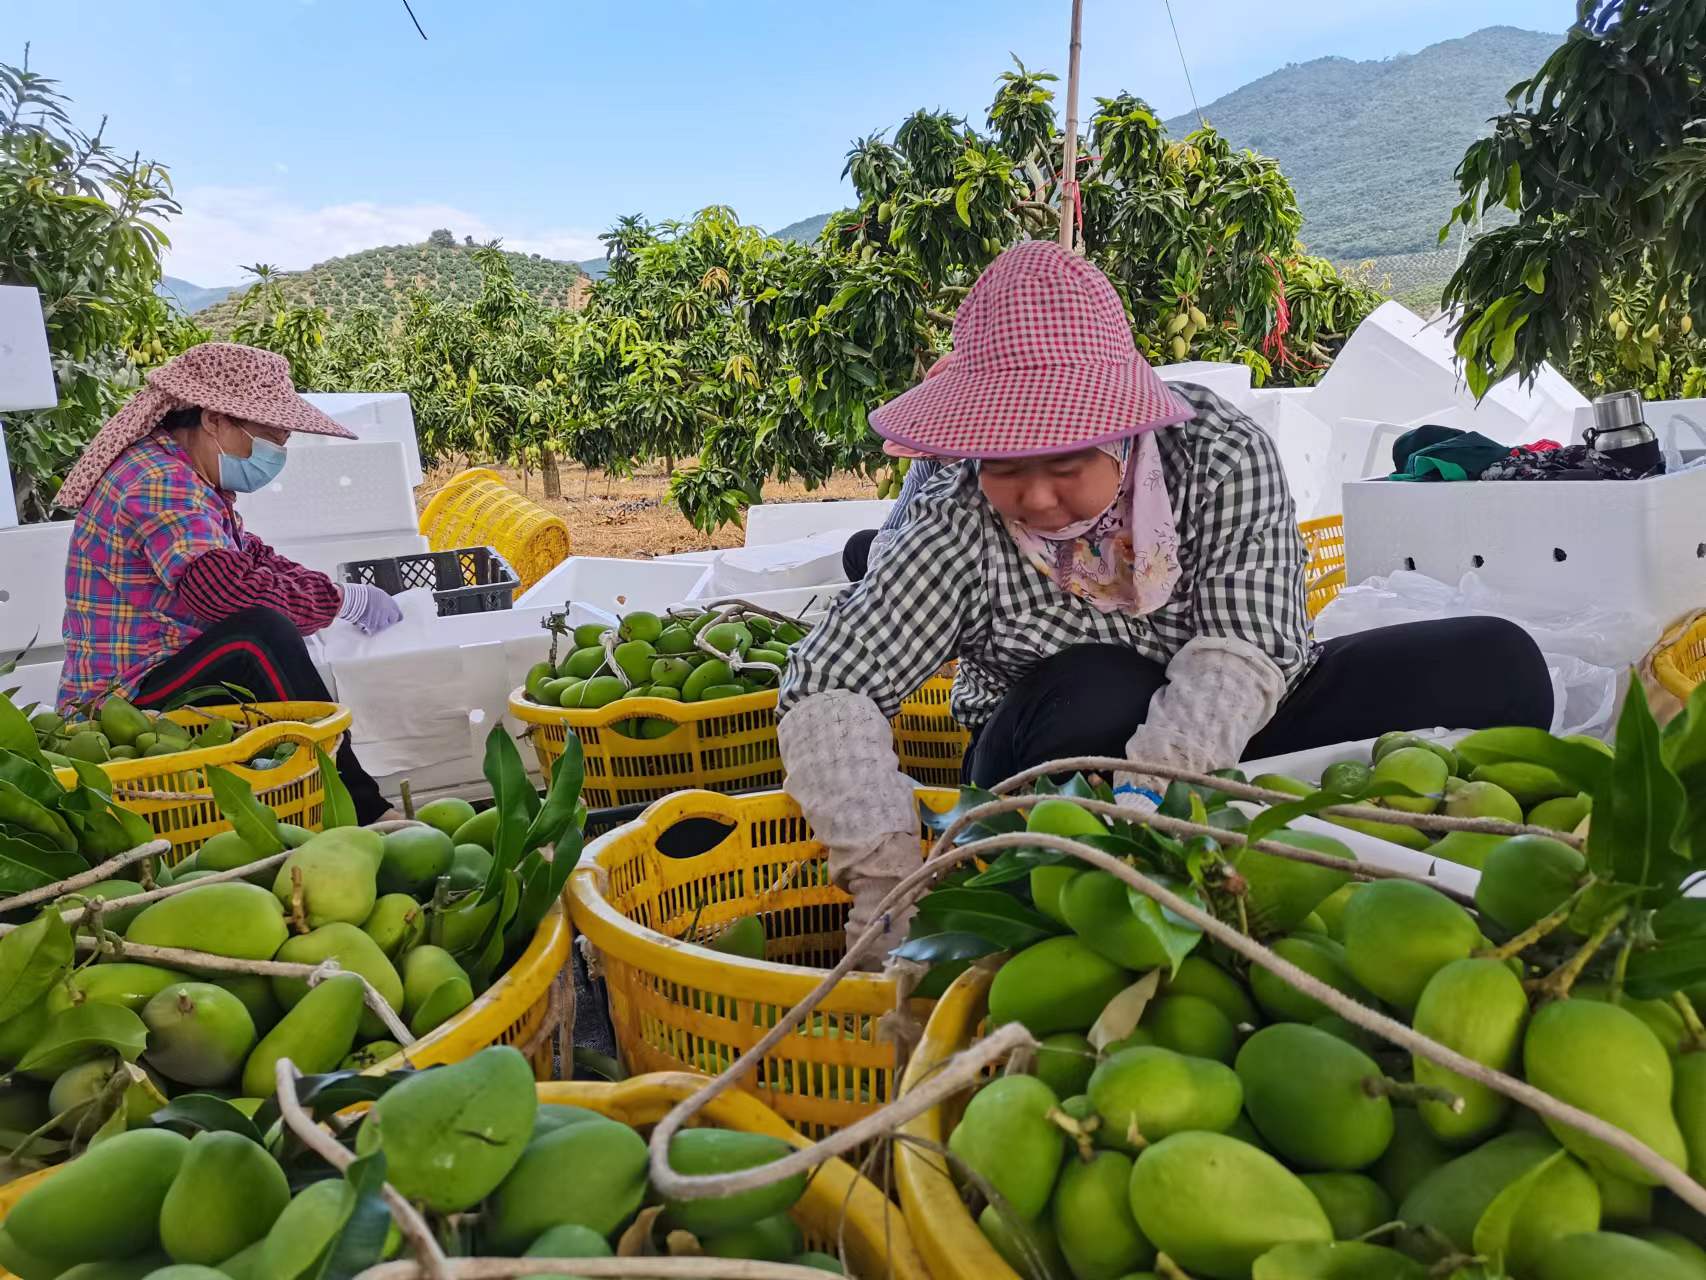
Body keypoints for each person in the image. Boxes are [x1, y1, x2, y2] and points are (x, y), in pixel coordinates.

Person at [778, 241, 1552, 957]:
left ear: (1121, 432)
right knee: (1096, 683)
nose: (1039, 497)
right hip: (1061, 747)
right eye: (1007, 466)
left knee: (1495, 663)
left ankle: (1226, 814)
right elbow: (831, 681)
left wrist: (1159, 785)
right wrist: (887, 886)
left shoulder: (1215, 453)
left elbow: (1248, 646)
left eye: (1068, 462)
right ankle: (1087, 862)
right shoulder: (955, 512)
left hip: (1230, 716)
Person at [55, 342, 403, 824]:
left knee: (267, 630)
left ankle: (325, 801)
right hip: (122, 703)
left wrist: (341, 595)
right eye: (266, 437)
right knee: (259, 636)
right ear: (214, 419)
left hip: (164, 671)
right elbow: (224, 590)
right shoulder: (158, 481)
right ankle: (362, 809)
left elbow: (252, 556)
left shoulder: (191, 478)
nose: (276, 453)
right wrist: (338, 601)